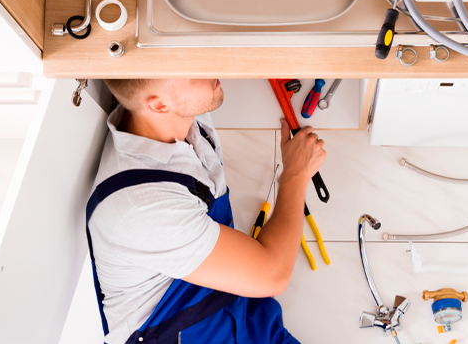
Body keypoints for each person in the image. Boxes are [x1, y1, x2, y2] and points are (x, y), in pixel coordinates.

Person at [86, 79, 326, 344]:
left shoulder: (177, 115)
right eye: (194, 71)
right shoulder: (142, 205)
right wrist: (295, 174)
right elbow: (273, 274)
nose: (212, 69)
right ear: (158, 104)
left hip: (234, 309)